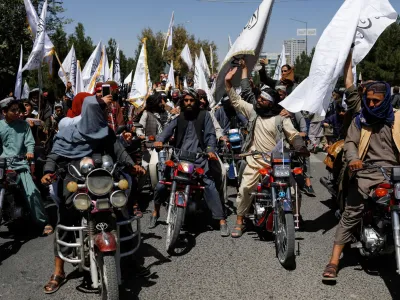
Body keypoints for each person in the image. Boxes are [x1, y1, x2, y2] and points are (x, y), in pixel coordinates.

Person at [42, 93, 146, 294]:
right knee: (66, 217)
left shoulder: (106, 131)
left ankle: (130, 260)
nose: (106, 113)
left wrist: (133, 167)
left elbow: (120, 152)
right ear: (91, 112)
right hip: (75, 180)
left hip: (104, 179)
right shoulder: (68, 133)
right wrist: (48, 172)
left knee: (120, 210)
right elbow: (54, 155)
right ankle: (58, 271)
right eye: (101, 110)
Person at [322, 81, 400, 281]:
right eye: (369, 100)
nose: (372, 104)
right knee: (352, 212)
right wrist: (354, 159)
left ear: (386, 100)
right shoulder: (360, 119)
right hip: (366, 171)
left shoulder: (397, 118)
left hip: (396, 173)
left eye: (377, 101)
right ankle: (334, 261)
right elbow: (350, 143)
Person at [225, 62, 308, 238]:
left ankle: (294, 216)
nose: (259, 101)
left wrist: (300, 146)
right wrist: (228, 83)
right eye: (260, 98)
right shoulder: (253, 111)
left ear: (271, 103)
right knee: (246, 188)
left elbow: (293, 135)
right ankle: (240, 221)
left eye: (263, 100)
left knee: (293, 188)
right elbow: (236, 101)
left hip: (277, 162)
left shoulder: (280, 118)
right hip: (255, 160)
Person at [148, 87, 230, 237]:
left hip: (199, 158)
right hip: (179, 157)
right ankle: (155, 211)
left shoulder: (205, 115)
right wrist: (159, 141)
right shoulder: (179, 117)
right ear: (182, 102)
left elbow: (211, 135)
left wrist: (211, 149)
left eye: (191, 100)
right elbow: (166, 132)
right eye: (186, 100)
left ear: (197, 101)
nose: (189, 103)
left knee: (209, 184)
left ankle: (221, 220)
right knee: (161, 184)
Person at [0, 98, 52, 235]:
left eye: (18, 109)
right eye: (14, 110)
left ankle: (42, 222)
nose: (18, 112)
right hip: (2, 166)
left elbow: (30, 142)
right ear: (4, 112)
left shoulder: (24, 125)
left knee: (32, 193)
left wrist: (29, 152)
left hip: (20, 165)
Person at [276, 85, 315, 197]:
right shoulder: (273, 110)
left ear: (286, 96)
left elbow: (304, 131)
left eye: (281, 95)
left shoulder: (294, 111)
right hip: (279, 142)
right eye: (277, 95)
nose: (279, 97)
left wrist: (291, 117)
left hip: (294, 141)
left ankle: (308, 182)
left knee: (305, 153)